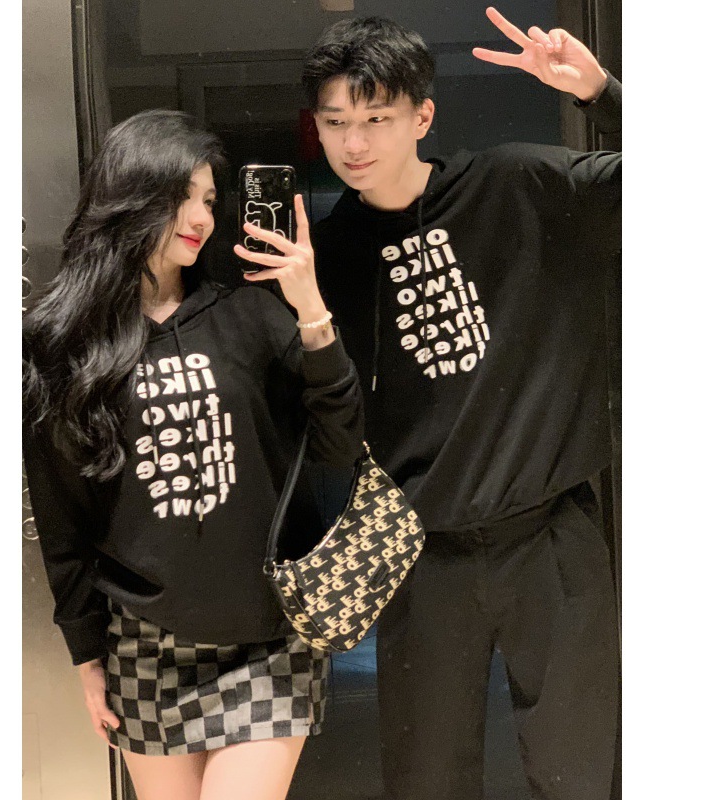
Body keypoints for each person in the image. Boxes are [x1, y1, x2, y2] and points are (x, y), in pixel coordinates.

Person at [242, 8, 621, 800]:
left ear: (422, 116)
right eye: (335, 121)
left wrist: (600, 94)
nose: (354, 143)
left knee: (578, 774)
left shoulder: (519, 183)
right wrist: (306, 308)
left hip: (551, 534)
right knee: (425, 781)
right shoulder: (328, 257)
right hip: (422, 554)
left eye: (376, 119)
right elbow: (333, 432)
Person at [22, 109, 364, 800]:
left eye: (209, 199)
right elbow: (63, 516)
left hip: (269, 642)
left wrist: (310, 309)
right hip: (145, 643)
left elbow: (340, 443)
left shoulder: (252, 316)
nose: (202, 217)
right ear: (133, 192)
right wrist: (87, 655)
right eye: (183, 196)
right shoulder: (63, 345)